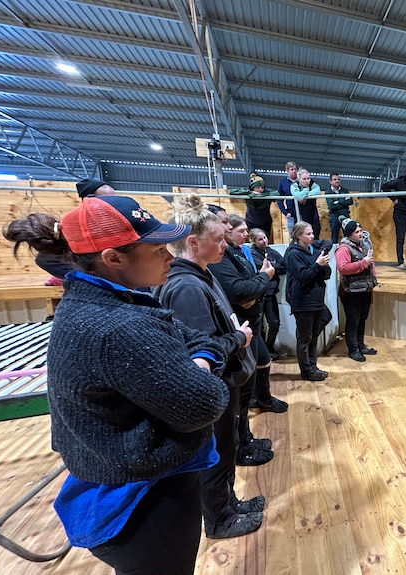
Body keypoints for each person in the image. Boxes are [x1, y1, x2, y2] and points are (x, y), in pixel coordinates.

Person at [2, 195, 228, 574]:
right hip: (143, 499)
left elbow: (200, 341)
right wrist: (200, 369)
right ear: (114, 258)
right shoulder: (119, 326)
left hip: (133, 475)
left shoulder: (112, 300)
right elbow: (204, 404)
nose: (169, 257)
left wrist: (198, 361)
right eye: (157, 250)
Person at [158, 194, 264, 539]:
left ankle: (228, 504)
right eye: (218, 239)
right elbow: (202, 351)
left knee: (227, 448)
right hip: (213, 388)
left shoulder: (200, 274)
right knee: (216, 455)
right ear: (193, 242)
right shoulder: (186, 286)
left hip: (226, 384)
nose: (224, 245)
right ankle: (219, 519)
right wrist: (238, 339)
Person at [208, 214, 285, 468]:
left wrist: (256, 287)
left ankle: (246, 438)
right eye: (226, 226)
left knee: (248, 383)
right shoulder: (214, 264)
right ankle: (241, 448)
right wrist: (262, 280)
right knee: (238, 395)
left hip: (247, 323)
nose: (229, 228)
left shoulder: (236, 253)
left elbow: (249, 288)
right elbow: (240, 291)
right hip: (237, 330)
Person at [36, 179, 118, 281]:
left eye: (115, 198)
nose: (114, 203)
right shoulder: (74, 222)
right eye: (106, 199)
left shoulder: (120, 216)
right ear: (88, 199)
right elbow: (45, 259)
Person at [284, 221, 332, 381]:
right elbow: (304, 277)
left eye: (312, 233)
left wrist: (317, 267)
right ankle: (307, 371)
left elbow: (327, 272)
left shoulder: (313, 251)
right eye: (308, 234)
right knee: (304, 338)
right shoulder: (293, 254)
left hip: (316, 299)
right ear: (298, 236)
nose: (312, 236)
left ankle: (313, 366)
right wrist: (317, 265)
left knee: (312, 337)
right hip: (303, 301)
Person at [335, 218, 378, 362]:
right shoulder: (344, 249)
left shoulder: (363, 245)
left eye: (360, 230)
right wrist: (363, 263)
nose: (361, 234)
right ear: (349, 234)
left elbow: (371, 264)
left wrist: (373, 278)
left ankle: (360, 345)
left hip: (364, 289)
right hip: (351, 292)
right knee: (353, 321)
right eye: (357, 232)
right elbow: (343, 268)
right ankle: (353, 349)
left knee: (362, 319)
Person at [249, 227, 287, 360]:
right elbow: (263, 271)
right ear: (253, 241)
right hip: (258, 295)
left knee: (274, 322)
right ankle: (262, 351)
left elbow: (284, 266)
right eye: (260, 239)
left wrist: (272, 267)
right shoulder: (251, 253)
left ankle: (269, 347)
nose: (264, 241)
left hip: (271, 294)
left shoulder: (271, 251)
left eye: (265, 237)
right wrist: (273, 268)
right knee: (259, 326)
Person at [380, 165, 406, 269]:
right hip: (400, 213)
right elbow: (384, 186)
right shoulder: (399, 181)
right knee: (400, 238)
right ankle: (400, 262)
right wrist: (393, 198)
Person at [229, 173, 280, 242]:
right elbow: (232, 192)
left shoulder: (267, 192)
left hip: (265, 222)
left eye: (262, 187)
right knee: (253, 240)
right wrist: (249, 193)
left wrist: (262, 195)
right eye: (258, 187)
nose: (260, 189)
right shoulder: (248, 192)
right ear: (253, 188)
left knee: (265, 240)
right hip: (251, 222)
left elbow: (277, 194)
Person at [290, 168, 323, 240]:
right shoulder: (294, 186)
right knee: (302, 234)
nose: (307, 181)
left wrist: (305, 197)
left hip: (313, 213)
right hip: (300, 214)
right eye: (304, 179)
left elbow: (317, 191)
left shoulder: (313, 184)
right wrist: (306, 190)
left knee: (316, 232)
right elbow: (298, 197)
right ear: (299, 179)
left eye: (308, 178)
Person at [326, 173, 354, 244]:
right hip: (334, 216)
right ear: (330, 181)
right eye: (335, 179)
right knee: (334, 237)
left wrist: (337, 201)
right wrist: (343, 201)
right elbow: (331, 206)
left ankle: (349, 252)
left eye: (338, 179)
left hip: (345, 216)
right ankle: (334, 252)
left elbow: (350, 201)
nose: (337, 181)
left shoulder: (345, 191)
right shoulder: (328, 192)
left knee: (348, 236)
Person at [276, 161, 299, 240]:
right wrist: (285, 212)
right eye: (291, 169)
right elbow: (279, 199)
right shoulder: (282, 183)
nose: (294, 171)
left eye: (295, 169)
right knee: (292, 236)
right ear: (287, 171)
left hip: (302, 213)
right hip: (291, 214)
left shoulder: (301, 181)